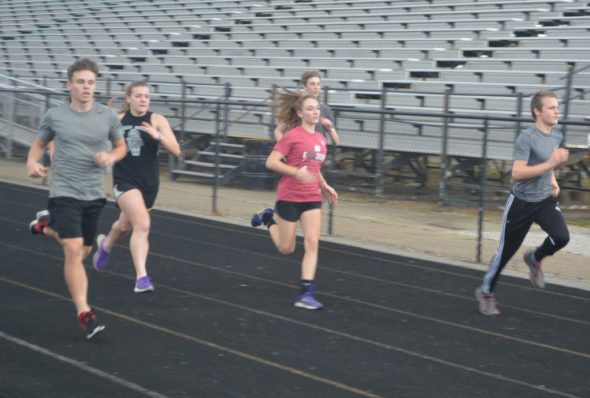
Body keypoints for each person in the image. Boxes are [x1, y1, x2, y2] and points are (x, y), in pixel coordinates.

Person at [27, 58, 127, 339]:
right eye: (81, 82)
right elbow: (37, 146)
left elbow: (121, 148)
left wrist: (110, 156)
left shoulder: (106, 116)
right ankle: (85, 313)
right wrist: (32, 164)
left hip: (93, 194)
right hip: (64, 190)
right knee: (73, 251)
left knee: (82, 252)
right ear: (69, 85)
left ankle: (46, 226)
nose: (86, 87)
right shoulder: (55, 115)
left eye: (91, 82)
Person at [475, 90, 570, 316]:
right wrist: (550, 166)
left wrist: (553, 180)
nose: (557, 111)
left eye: (557, 107)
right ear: (537, 111)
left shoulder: (556, 136)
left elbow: (548, 162)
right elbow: (517, 173)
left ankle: (534, 258)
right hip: (522, 203)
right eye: (551, 107)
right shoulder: (526, 137)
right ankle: (486, 292)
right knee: (506, 252)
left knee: (562, 237)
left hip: (544, 199)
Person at [251, 88, 338, 310]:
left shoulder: (320, 139)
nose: (315, 112)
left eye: (317, 108)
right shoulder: (291, 136)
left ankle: (306, 293)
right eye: (310, 109)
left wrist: (324, 184)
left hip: (312, 197)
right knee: (286, 248)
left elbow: (314, 167)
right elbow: (271, 162)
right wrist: (295, 172)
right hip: (289, 196)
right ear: (300, 113)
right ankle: (268, 218)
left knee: (312, 242)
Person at [92, 82, 180, 292]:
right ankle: (142, 278)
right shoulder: (118, 120)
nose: (143, 100)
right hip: (124, 180)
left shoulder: (157, 119)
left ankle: (105, 246)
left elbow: (176, 150)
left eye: (146, 96)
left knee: (125, 225)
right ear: (129, 99)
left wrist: (157, 135)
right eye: (139, 96)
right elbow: (99, 142)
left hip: (149, 183)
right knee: (142, 224)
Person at [273, 70, 340, 146]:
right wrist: (285, 151)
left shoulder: (326, 110)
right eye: (312, 84)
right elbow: (278, 131)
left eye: (318, 84)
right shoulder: (296, 106)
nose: (316, 87)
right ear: (305, 86)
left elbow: (336, 142)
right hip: (298, 154)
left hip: (317, 154)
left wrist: (330, 129)